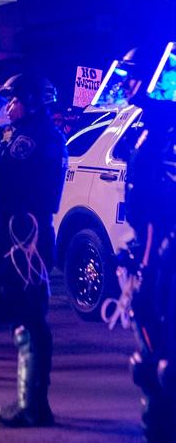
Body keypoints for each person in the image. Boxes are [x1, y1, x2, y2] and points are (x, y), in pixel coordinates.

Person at [0, 74, 67, 427]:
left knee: (29, 319)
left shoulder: (32, 139)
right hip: (25, 232)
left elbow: (6, 180)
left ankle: (34, 406)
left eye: (14, 101)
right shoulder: (34, 134)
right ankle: (31, 402)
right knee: (24, 315)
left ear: (31, 102)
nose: (9, 107)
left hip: (25, 237)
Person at [119, 45, 176, 442]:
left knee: (161, 355)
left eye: (135, 75)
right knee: (148, 341)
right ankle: (156, 422)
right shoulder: (147, 124)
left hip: (166, 247)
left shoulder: (168, 125)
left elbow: (162, 199)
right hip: (150, 243)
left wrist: (152, 248)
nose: (127, 84)